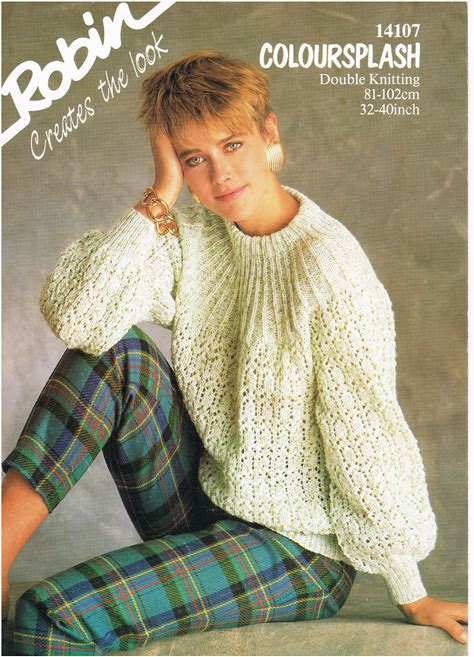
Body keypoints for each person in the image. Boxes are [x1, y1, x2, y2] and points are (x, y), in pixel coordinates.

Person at [2, 50, 468, 655]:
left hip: (299, 551)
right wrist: (160, 195)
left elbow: (365, 437)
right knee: (116, 354)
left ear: (268, 134)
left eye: (232, 145)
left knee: (45, 615)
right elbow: (79, 317)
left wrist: (412, 593)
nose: (219, 175)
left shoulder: (327, 268)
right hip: (211, 503)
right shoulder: (197, 238)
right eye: (194, 158)